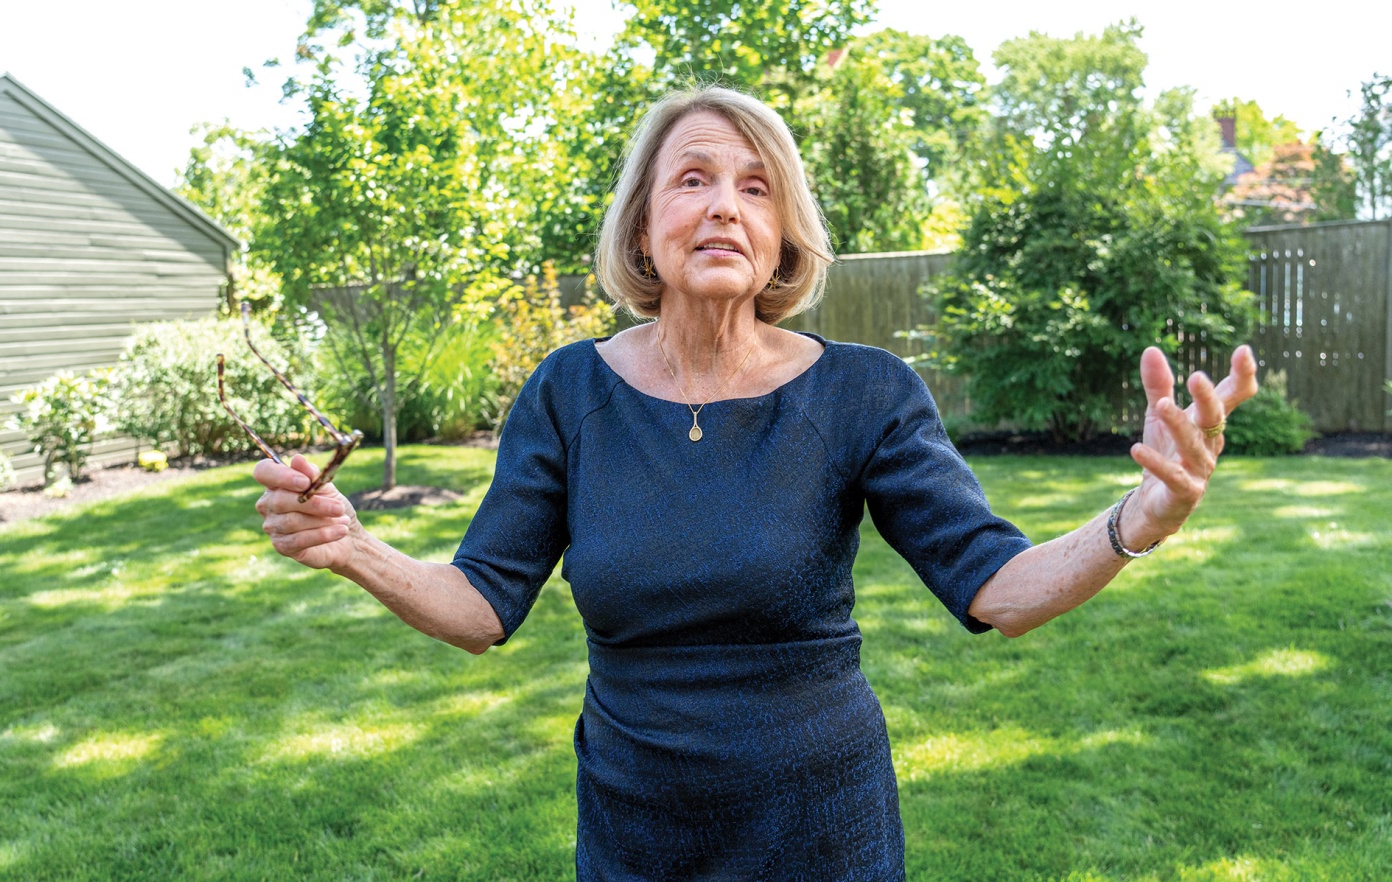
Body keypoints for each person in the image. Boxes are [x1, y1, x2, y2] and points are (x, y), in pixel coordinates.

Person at [251, 86, 1260, 879]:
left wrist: (1140, 515)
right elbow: (480, 605)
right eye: (691, 179)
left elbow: (997, 589)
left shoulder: (864, 392)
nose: (724, 205)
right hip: (634, 832)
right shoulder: (567, 393)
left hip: (822, 835)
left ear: (783, 236)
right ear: (642, 227)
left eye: (755, 185)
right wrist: (353, 547)